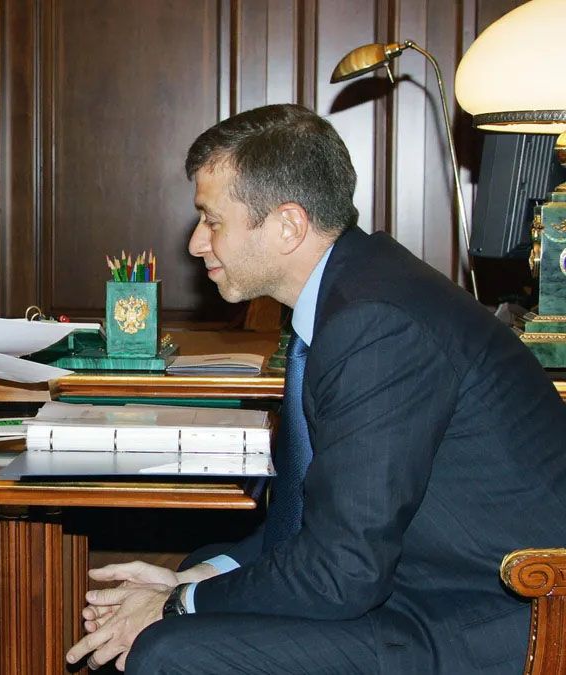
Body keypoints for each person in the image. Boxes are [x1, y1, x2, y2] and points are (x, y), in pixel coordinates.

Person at [66, 103, 566, 673]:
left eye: (212, 221)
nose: (196, 244)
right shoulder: (357, 292)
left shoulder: (377, 324)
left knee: (168, 650)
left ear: (287, 225)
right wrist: (194, 580)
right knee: (206, 561)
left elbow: (343, 570)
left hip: (500, 621)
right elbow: (320, 522)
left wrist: (176, 606)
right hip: (424, 581)